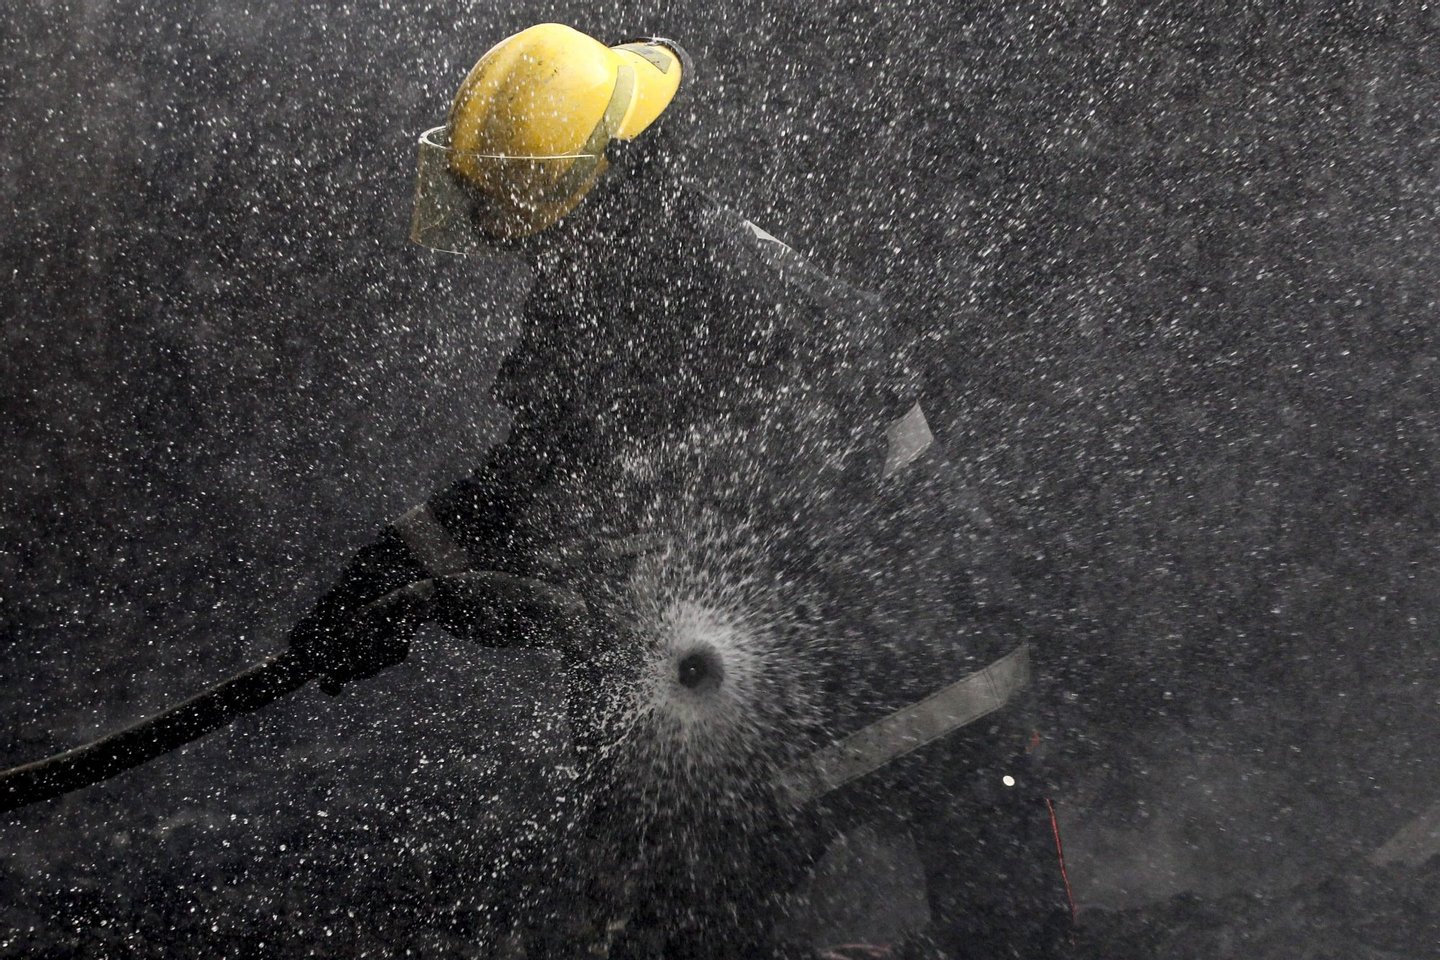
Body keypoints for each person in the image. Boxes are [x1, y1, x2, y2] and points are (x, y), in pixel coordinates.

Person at [288, 23, 1071, 958]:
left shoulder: (651, 294)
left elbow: (552, 510)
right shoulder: (667, 255)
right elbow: (554, 480)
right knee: (1005, 929)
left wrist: (408, 586)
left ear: (599, 187)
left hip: (871, 661)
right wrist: (395, 575)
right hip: (934, 631)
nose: (516, 247)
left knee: (690, 918)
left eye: (531, 221)